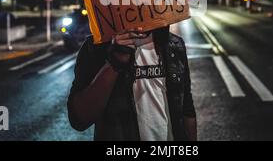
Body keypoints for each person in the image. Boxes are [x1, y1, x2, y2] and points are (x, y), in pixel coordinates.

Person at [67, 26, 197, 141]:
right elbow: (79, 119)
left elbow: (187, 109)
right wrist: (115, 62)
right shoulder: (97, 47)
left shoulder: (174, 45)